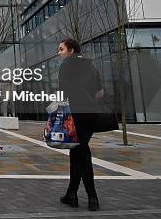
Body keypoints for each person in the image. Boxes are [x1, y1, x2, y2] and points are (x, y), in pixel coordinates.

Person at [57, 38, 104, 211]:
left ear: (71, 50)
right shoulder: (91, 66)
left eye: (61, 49)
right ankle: (72, 194)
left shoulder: (65, 67)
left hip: (74, 114)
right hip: (90, 114)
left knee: (82, 154)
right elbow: (100, 93)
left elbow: (62, 94)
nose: (59, 52)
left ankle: (93, 198)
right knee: (77, 152)